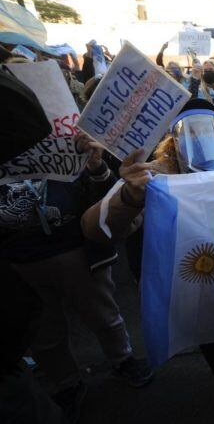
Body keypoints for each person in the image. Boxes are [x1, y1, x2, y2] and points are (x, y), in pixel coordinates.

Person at [80, 99, 214, 419]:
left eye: (207, 129)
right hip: (200, 270)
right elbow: (95, 227)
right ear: (173, 136)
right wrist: (130, 195)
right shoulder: (154, 176)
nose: (199, 138)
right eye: (190, 130)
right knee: (210, 326)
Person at [2, 133, 153, 423]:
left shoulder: (64, 140)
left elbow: (109, 200)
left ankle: (122, 359)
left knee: (103, 314)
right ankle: (66, 383)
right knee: (44, 334)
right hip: (18, 260)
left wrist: (96, 167)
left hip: (76, 250)